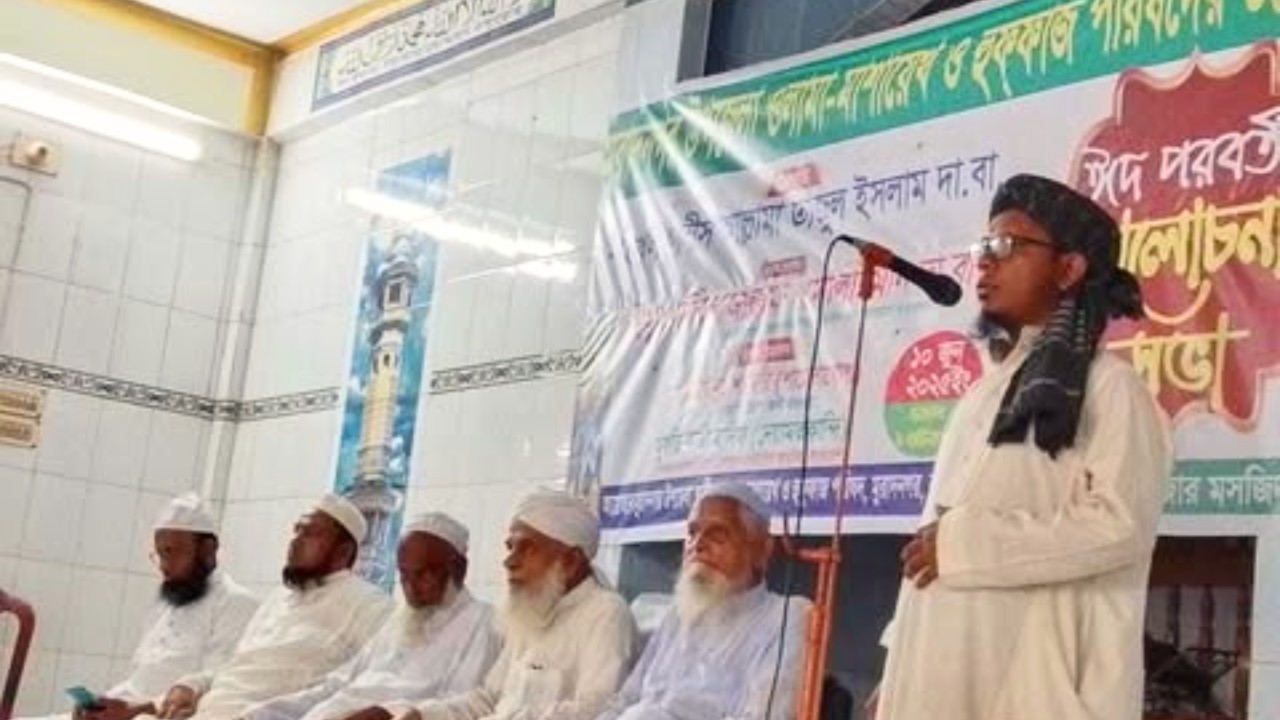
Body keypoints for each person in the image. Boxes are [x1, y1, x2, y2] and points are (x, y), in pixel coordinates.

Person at [869, 174, 1172, 720]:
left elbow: (1119, 528)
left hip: (1037, 688)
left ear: (1069, 268)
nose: (985, 261)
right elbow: (930, 540)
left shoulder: (1111, 388)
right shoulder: (981, 393)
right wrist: (896, 662)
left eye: (1007, 245)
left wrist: (966, 545)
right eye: (984, 246)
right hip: (936, 669)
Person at [397, 490, 636, 720]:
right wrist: (423, 715)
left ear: (570, 561)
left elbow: (596, 710)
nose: (509, 561)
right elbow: (489, 699)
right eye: (511, 547)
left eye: (527, 548)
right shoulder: (531, 611)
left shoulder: (606, 613)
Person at [240, 513, 501, 720]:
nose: (411, 588)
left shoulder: (483, 623)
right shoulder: (399, 621)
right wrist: (268, 712)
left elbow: (460, 705)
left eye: (424, 574)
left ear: (458, 568)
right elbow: (338, 685)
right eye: (404, 575)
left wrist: (390, 712)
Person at [159, 494, 390, 720]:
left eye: (310, 534)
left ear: (344, 551)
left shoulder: (370, 604)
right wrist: (191, 685)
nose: (295, 541)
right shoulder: (278, 599)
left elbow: (366, 687)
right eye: (296, 531)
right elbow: (238, 666)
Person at [595, 482, 809, 720]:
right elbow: (626, 700)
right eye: (692, 533)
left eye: (718, 535)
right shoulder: (680, 613)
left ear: (762, 551)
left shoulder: (787, 617)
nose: (697, 545)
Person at [51, 495, 259, 720]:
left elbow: (217, 687)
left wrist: (136, 710)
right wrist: (101, 704)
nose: (163, 566)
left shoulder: (237, 604)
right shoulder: (168, 604)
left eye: (170, 552)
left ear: (208, 550)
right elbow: (138, 682)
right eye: (159, 555)